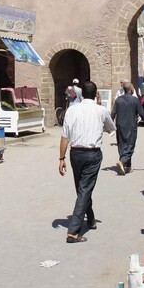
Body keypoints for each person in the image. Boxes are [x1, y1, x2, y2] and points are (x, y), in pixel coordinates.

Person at [58, 81, 115, 243]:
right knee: (84, 189)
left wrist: (61, 158)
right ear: (97, 94)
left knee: (82, 188)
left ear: (82, 93)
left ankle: (90, 219)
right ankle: (73, 231)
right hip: (92, 155)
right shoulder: (101, 110)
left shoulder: (71, 110)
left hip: (74, 154)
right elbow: (111, 129)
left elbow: (64, 136)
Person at [111, 82, 144, 175]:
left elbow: (113, 113)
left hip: (120, 125)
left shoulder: (118, 100)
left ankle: (127, 167)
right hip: (131, 126)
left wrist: (109, 127)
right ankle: (122, 162)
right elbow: (143, 114)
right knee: (130, 146)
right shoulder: (135, 100)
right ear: (131, 90)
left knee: (122, 145)